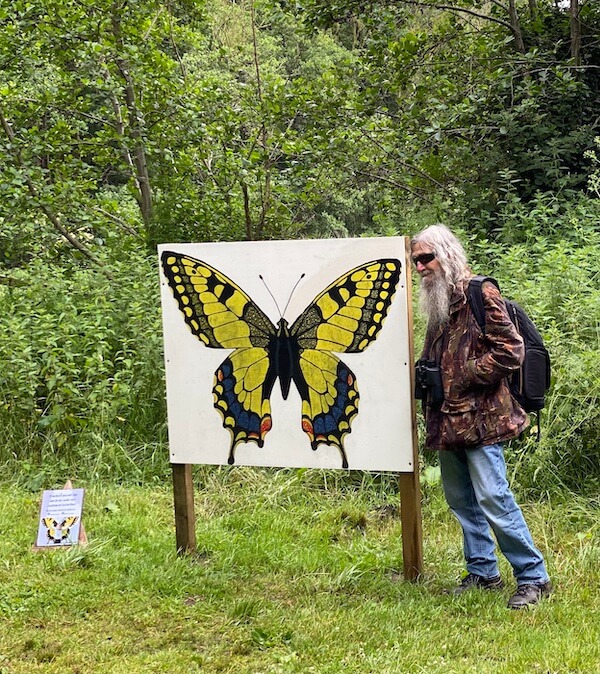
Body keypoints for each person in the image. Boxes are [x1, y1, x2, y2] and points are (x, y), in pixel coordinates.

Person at [411, 224, 551, 609]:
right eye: (416, 261)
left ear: (446, 254)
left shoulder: (479, 292)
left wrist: (466, 373)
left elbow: (511, 350)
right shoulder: (439, 303)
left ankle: (533, 576)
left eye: (426, 258)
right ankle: (483, 572)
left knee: (493, 497)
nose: (420, 267)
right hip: (447, 418)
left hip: (483, 418)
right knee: (461, 501)